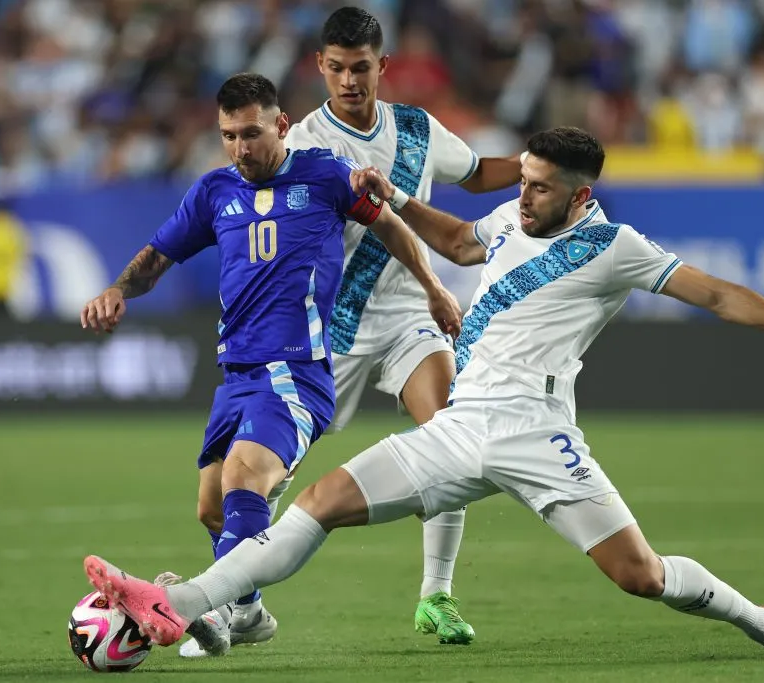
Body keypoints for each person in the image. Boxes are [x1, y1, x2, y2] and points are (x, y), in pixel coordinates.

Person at [82, 127, 764, 658]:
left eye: (541, 187)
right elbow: (464, 240)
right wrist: (397, 198)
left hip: (538, 433)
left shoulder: (615, 246)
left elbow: (719, 294)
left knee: (641, 575)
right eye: (525, 179)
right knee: (324, 497)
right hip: (461, 422)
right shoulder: (514, 220)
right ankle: (179, 601)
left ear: (580, 195)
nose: (523, 194)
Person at [179, 7, 524, 656]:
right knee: (253, 481)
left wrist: (535, 166)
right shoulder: (303, 142)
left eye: (360, 67)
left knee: (449, 429)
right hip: (326, 330)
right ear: (320, 68)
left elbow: (476, 173)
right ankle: (240, 597)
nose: (348, 80)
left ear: (381, 66)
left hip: (407, 323)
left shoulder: (418, 131)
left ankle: (437, 591)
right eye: (336, 68)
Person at [79, 72, 461, 656]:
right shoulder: (213, 192)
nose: (240, 148)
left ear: (281, 126)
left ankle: (207, 609)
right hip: (236, 377)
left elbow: (388, 224)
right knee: (212, 508)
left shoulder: (326, 176)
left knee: (243, 479)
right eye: (229, 135)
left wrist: (433, 288)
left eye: (251, 134)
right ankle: (251, 611)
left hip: (296, 373)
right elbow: (157, 258)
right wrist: (117, 291)